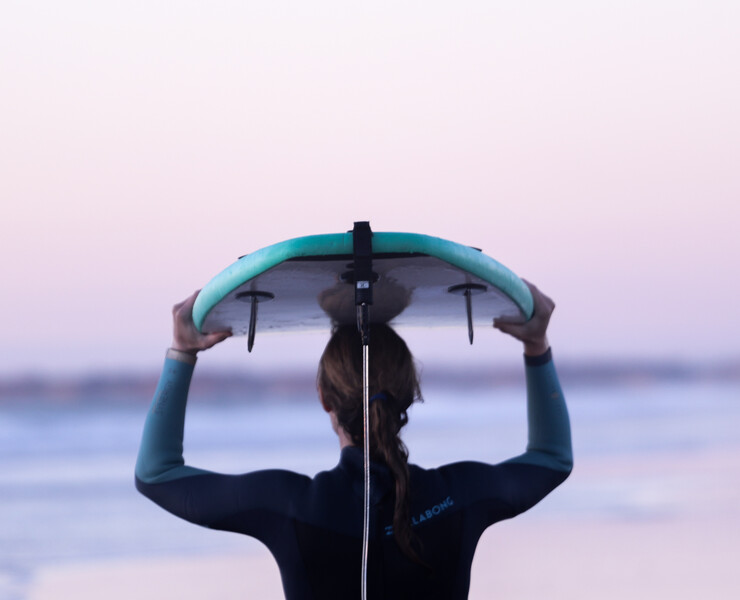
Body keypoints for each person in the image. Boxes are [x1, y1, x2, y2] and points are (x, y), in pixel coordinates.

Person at [135, 281, 572, 600]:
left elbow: (157, 474)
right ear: (410, 394)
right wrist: (537, 345)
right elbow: (552, 458)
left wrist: (182, 351)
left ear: (323, 396)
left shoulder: (288, 505)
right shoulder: (459, 496)